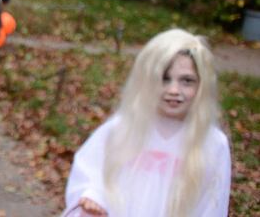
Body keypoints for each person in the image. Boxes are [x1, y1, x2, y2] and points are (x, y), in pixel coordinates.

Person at [63, 29, 231, 217]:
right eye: (164, 79)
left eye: (187, 81)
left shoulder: (212, 144)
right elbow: (90, 169)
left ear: (202, 85)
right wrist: (93, 197)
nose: (174, 90)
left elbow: (212, 203)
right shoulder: (123, 128)